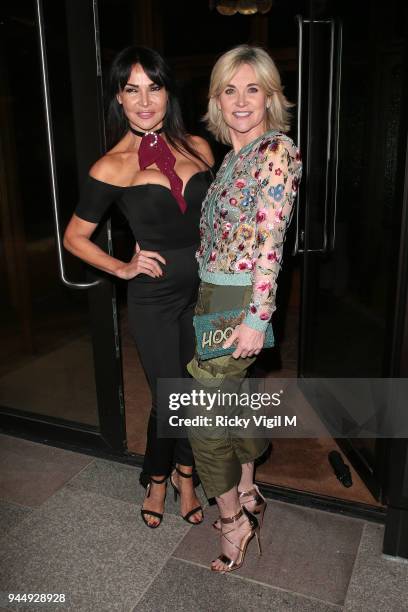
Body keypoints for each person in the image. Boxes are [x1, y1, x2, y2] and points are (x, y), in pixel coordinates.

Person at [63, 46, 214, 528]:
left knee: (196, 391)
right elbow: (74, 238)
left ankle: (184, 474)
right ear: (119, 99)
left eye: (155, 87)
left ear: (169, 93)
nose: (145, 100)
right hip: (155, 297)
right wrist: (123, 268)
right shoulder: (111, 166)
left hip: (208, 290)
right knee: (170, 393)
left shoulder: (200, 147)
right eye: (132, 90)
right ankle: (157, 477)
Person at [187, 44, 302, 572]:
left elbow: (271, 240)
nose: (240, 100)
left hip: (240, 298)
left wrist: (258, 316)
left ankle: (235, 520)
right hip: (216, 293)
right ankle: (250, 491)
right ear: (215, 98)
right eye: (229, 88)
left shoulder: (276, 150)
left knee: (204, 409)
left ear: (271, 97)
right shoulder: (233, 156)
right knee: (228, 393)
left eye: (253, 88)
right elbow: (225, 233)